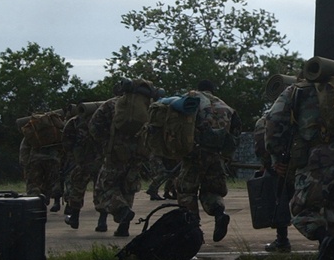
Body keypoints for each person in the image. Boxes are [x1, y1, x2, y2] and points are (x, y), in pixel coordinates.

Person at [265, 78, 334, 260]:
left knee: (301, 209)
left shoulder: (298, 90)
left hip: (319, 158)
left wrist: (276, 155)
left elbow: (273, 120)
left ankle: (324, 239)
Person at [90, 78, 159, 237]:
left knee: (105, 187)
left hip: (115, 153)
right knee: (128, 186)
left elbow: (94, 127)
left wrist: (106, 142)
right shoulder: (150, 107)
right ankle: (124, 227)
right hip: (138, 154)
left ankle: (121, 210)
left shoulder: (111, 104)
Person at [174, 80, 240, 243]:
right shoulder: (225, 106)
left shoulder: (192, 98)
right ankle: (219, 214)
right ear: (212, 90)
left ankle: (193, 230)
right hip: (216, 155)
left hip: (195, 154)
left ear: (199, 89)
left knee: (186, 191)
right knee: (212, 191)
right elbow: (235, 133)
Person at [62, 105, 106, 230]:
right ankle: (102, 221)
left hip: (81, 162)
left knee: (77, 189)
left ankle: (74, 218)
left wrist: (73, 157)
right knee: (101, 191)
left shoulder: (74, 122)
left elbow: (66, 142)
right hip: (100, 161)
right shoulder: (101, 120)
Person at [254, 114, 292, 252]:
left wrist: (269, 163)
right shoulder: (308, 109)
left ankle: (282, 240)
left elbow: (260, 143)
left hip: (280, 166)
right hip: (307, 164)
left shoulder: (268, 117)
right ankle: (325, 239)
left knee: (279, 199)